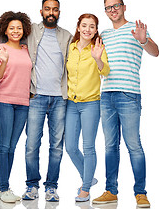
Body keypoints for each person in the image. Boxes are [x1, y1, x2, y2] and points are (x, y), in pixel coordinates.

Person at [92, 0, 159, 208]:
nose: (112, 10)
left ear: (124, 7)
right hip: (107, 95)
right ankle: (110, 191)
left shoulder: (136, 30)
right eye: (108, 7)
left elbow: (155, 52)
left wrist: (144, 39)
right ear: (105, 11)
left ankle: (141, 193)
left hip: (129, 94)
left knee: (134, 145)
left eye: (116, 6)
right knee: (110, 146)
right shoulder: (103, 34)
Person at [22, 0, 72, 202]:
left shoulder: (67, 36)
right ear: (41, 11)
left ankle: (51, 187)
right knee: (32, 144)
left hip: (60, 98)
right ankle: (32, 186)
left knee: (56, 146)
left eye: (55, 9)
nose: (51, 12)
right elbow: (8, 34)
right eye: (47, 9)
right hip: (36, 96)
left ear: (59, 12)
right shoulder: (31, 30)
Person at [65, 14, 110, 202]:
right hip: (71, 103)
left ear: (96, 29)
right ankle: (89, 178)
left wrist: (98, 58)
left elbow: (105, 71)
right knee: (70, 147)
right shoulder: (71, 48)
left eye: (92, 26)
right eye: (84, 25)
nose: (87, 29)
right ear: (78, 27)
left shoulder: (98, 48)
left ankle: (85, 188)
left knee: (88, 146)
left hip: (91, 103)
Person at [0, 11, 32, 203]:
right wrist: (4, 60)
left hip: (23, 103)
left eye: (19, 28)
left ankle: (4, 188)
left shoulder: (26, 49)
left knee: (12, 147)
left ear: (23, 30)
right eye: (12, 28)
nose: (15, 31)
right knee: (4, 145)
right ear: (5, 30)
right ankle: (3, 187)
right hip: (4, 102)